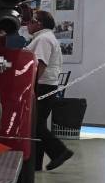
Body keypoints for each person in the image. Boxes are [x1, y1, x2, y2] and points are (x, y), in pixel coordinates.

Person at [26, 10, 73, 171]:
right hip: (47, 85)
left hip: (43, 86)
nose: (27, 24)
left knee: (36, 125)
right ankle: (36, 164)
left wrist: (30, 86)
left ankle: (60, 151)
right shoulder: (45, 37)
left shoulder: (43, 39)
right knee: (38, 124)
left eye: (31, 21)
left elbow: (40, 64)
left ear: (39, 23)